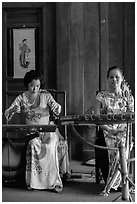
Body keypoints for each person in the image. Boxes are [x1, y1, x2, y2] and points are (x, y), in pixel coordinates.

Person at [5, 70, 70, 192]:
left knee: (50, 146)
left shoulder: (46, 95)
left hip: (48, 131)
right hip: (32, 133)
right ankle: (35, 183)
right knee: (34, 144)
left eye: (37, 86)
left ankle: (53, 182)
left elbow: (57, 109)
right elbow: (7, 113)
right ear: (27, 84)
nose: (35, 89)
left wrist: (56, 108)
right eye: (32, 86)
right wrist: (13, 109)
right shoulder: (22, 98)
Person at [96, 66, 134, 196]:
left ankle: (112, 185)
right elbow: (97, 118)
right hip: (108, 130)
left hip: (124, 130)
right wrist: (109, 130)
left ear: (122, 79)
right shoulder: (101, 96)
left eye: (117, 77)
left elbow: (132, 117)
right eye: (111, 77)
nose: (114, 80)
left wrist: (127, 98)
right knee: (115, 149)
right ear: (107, 79)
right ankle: (117, 183)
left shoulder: (128, 97)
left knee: (122, 146)